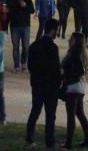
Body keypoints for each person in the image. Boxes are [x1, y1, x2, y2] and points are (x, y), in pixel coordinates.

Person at [26, 18, 61, 148]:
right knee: (50, 115)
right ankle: (49, 141)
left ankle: (29, 137)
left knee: (35, 111)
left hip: (37, 83)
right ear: (53, 31)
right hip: (50, 86)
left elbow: (30, 65)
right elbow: (56, 68)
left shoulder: (34, 46)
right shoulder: (53, 47)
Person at [61, 33, 88, 148]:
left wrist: (66, 79)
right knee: (79, 113)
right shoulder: (80, 53)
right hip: (80, 87)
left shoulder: (73, 54)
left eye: (71, 38)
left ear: (75, 41)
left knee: (71, 115)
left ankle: (68, 143)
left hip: (73, 88)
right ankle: (87, 139)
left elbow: (78, 71)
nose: (69, 40)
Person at [6, 0, 35, 72]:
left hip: (25, 25)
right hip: (14, 26)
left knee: (26, 46)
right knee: (15, 46)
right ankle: (16, 65)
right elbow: (7, 14)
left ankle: (23, 63)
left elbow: (32, 10)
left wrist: (25, 6)